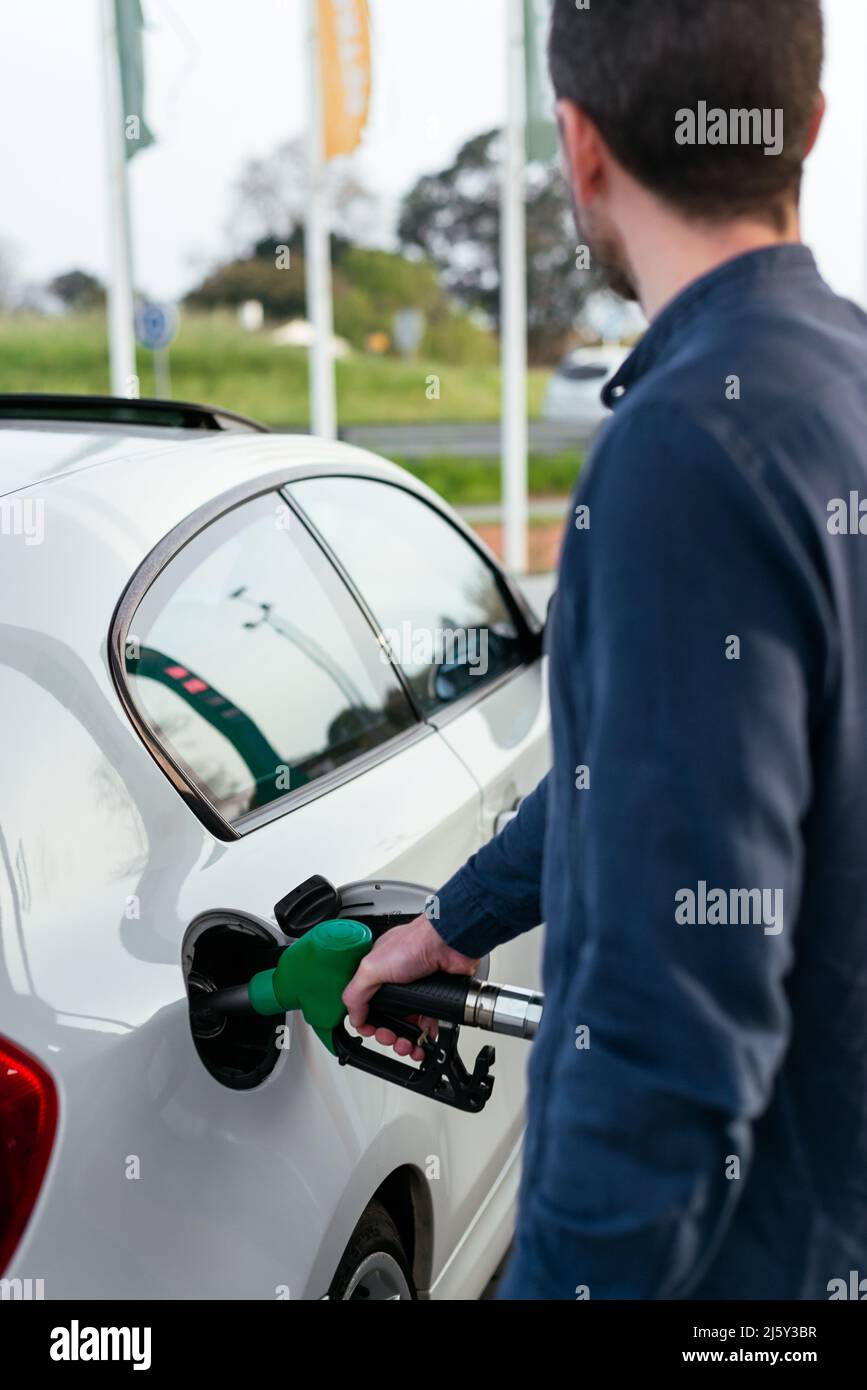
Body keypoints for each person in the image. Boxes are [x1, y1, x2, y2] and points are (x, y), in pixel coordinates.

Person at [345, 0, 867, 1300]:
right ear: (806, 124)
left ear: (580, 148)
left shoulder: (686, 454)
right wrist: (459, 921)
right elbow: (681, 785)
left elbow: (666, 1053)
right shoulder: (841, 385)